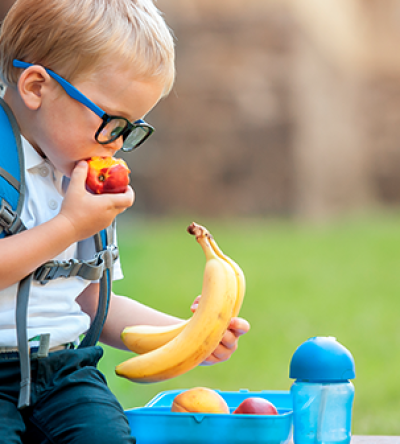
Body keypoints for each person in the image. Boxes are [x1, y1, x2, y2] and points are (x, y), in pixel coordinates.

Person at [0, 0, 250, 442]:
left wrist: (190, 334)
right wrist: (69, 225)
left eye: (130, 128)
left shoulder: (80, 179)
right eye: (112, 122)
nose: (115, 144)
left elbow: (90, 297)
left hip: (63, 372)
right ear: (36, 87)